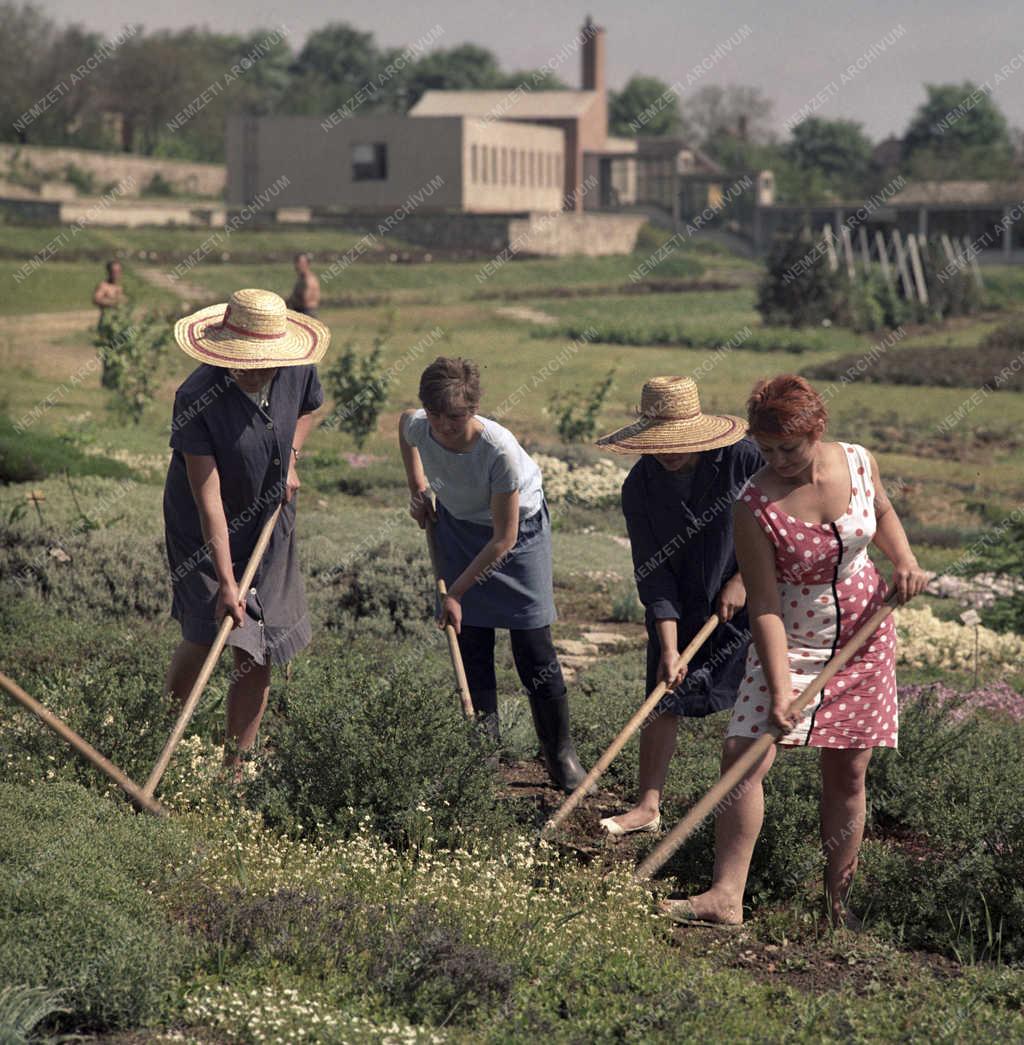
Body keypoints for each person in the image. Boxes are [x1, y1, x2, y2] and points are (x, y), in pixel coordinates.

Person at [663, 375, 927, 927]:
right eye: (766, 448)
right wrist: (781, 688)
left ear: (818, 430)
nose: (778, 459)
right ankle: (725, 898)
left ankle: (837, 906)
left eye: (789, 447)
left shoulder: (858, 461)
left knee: (848, 773)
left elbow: (881, 515)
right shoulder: (753, 504)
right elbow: (762, 604)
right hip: (792, 635)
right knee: (742, 758)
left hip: (864, 636)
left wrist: (903, 561)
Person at [398, 356, 588, 792]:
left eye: (457, 416)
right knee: (472, 642)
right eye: (438, 415)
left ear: (474, 408)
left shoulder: (498, 451)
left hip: (516, 535)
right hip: (459, 528)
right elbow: (404, 426)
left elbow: (503, 540)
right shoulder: (419, 424)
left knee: (533, 644)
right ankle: (481, 756)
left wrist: (456, 593)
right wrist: (419, 491)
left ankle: (560, 755)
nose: (445, 426)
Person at [162, 288, 329, 767]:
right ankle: (159, 739)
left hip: (269, 519)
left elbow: (306, 410)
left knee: (260, 642)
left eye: (265, 363)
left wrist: (291, 459)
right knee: (206, 630)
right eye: (246, 363)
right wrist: (228, 583)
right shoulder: (197, 396)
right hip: (202, 528)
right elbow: (207, 497)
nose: (257, 371)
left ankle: (236, 770)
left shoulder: (294, 365)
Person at [593, 376, 762, 837]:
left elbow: (779, 519)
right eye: (660, 443)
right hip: (682, 603)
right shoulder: (640, 489)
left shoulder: (743, 459)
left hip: (753, 601)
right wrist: (669, 647)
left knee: (757, 701)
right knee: (661, 694)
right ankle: (648, 807)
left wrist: (743, 579)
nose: (668, 452)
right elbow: (654, 572)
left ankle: (748, 802)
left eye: (678, 442)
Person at [286, 253, 321, 317]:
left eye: (299, 263)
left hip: (307, 313)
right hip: (301, 311)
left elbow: (305, 299)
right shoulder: (301, 279)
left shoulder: (309, 280)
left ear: (307, 264)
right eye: (296, 263)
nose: (297, 266)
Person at [92, 259, 125, 328]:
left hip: (120, 322)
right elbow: (96, 299)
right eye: (114, 272)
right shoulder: (104, 286)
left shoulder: (121, 287)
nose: (117, 274)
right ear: (109, 272)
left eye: (119, 271)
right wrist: (113, 302)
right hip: (107, 323)